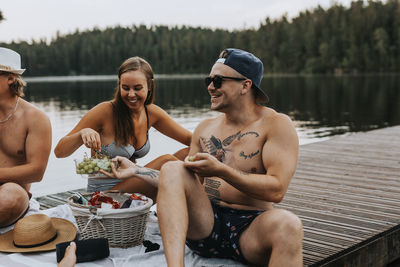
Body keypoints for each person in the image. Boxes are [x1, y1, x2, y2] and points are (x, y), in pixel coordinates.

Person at [155, 48, 303, 266]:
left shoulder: (276, 124)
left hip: (251, 227)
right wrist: (134, 170)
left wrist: (221, 170)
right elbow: (178, 184)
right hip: (206, 224)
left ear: (245, 85)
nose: (210, 87)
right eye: (209, 80)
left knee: (289, 225)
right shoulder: (204, 128)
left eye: (218, 80)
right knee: (171, 168)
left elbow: (277, 189)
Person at [54, 56, 191, 200]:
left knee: (187, 154)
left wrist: (214, 160)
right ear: (119, 85)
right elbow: (59, 151)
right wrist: (82, 133)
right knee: (168, 162)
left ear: (150, 86)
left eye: (137, 88)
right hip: (104, 195)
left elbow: (190, 139)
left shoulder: (151, 113)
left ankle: (204, 202)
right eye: (125, 88)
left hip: (131, 185)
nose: (131, 94)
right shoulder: (104, 111)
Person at [0, 47, 52, 227]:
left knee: (9, 198)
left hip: (13, 190)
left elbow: (37, 172)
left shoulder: (36, 118)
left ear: (10, 78)